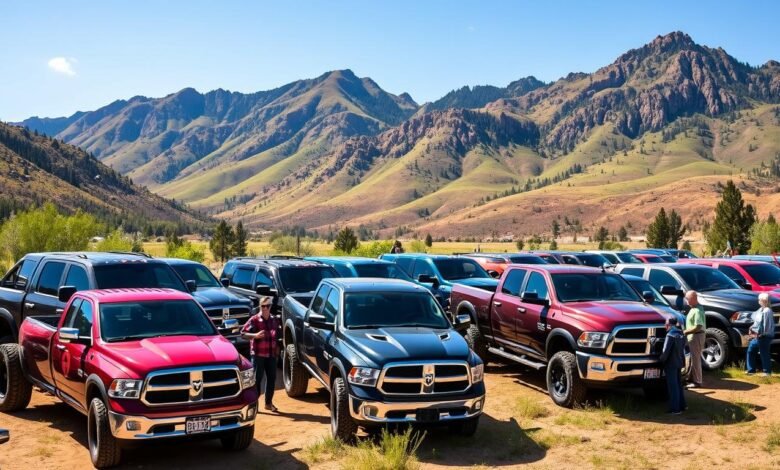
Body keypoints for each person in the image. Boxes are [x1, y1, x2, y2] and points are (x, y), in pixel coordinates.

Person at [241, 296, 280, 412]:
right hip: (258, 355)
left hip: (271, 355)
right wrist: (255, 335)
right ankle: (254, 404)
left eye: (267, 306)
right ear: (260, 306)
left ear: (271, 306)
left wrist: (278, 347)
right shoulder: (254, 320)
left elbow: (277, 335)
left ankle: (268, 403)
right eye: (263, 306)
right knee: (257, 380)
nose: (265, 308)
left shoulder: (274, 320)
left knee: (272, 378)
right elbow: (242, 333)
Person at [657, 318, 687, 414]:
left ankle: (675, 409)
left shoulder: (670, 335)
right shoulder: (681, 334)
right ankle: (682, 405)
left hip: (671, 364)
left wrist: (660, 360)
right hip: (679, 362)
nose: (665, 326)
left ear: (669, 324)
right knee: (678, 385)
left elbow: (665, 351)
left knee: (672, 386)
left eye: (666, 324)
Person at [746, 292, 776, 376]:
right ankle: (751, 370)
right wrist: (751, 328)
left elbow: (766, 325)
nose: (758, 301)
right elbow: (757, 322)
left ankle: (766, 372)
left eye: (759, 299)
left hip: (764, 336)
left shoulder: (767, 311)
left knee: (763, 352)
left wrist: (760, 334)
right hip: (758, 335)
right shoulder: (761, 309)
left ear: (763, 300)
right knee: (751, 350)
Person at [683, 290, 705, 388]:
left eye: (687, 299)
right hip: (693, 336)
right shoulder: (693, 308)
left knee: (695, 359)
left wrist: (686, 332)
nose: (686, 300)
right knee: (691, 358)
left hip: (696, 336)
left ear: (693, 298)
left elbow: (698, 326)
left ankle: (697, 381)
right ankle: (690, 378)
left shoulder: (698, 310)